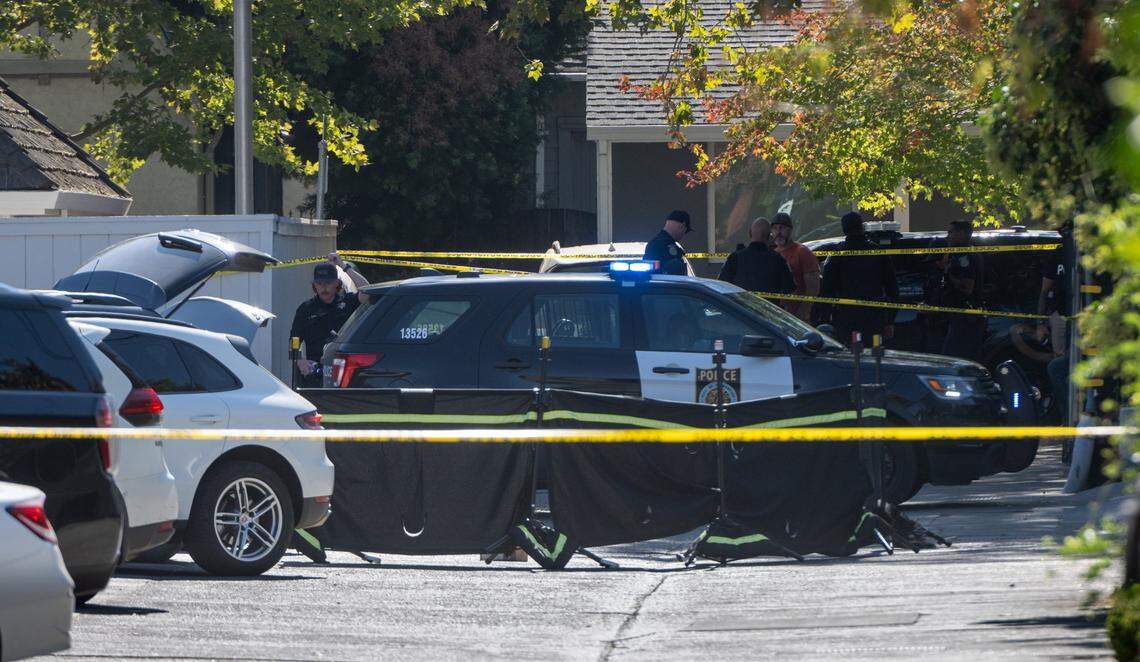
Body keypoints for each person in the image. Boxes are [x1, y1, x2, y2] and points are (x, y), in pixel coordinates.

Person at [818, 212, 899, 345]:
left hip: (846, 320)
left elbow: (827, 291)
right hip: (874, 320)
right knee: (875, 358)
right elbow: (893, 289)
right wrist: (890, 321)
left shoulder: (837, 256)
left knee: (849, 359)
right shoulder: (877, 253)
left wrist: (825, 320)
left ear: (844, 230)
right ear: (862, 227)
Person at [290, 252, 370, 387]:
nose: (324, 287)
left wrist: (343, 266)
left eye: (328, 283)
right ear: (314, 285)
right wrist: (299, 360)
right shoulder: (305, 309)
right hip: (314, 374)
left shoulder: (347, 301)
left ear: (337, 283)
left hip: (344, 371)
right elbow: (294, 339)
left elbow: (368, 292)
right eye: (319, 283)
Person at [938, 220, 986, 360]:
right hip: (960, 316)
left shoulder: (967, 257)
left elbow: (967, 288)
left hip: (965, 318)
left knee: (952, 359)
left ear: (962, 233)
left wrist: (948, 274)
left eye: (951, 232)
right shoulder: (961, 254)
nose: (948, 236)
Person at [718, 217, 795, 295]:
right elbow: (789, 288)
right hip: (766, 306)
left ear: (749, 233)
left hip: (739, 306)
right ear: (769, 236)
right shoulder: (778, 260)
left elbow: (721, 284)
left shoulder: (735, 258)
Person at [771, 212, 821, 322]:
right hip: (776, 314)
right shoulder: (772, 254)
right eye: (775, 228)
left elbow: (813, 288)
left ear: (790, 230)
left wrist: (802, 312)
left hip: (797, 317)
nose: (778, 232)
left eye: (782, 228)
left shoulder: (802, 252)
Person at [643, 209, 692, 275]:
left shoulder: (653, 243)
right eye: (685, 231)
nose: (683, 234)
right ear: (682, 225)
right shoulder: (669, 246)